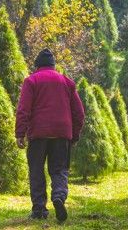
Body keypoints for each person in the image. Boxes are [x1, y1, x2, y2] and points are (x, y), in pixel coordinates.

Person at [15, 49, 85, 222]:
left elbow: (23, 109)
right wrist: (74, 135)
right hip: (62, 133)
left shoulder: (31, 80)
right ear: (54, 65)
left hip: (38, 134)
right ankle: (59, 197)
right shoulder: (67, 82)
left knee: (37, 171)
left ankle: (39, 210)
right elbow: (79, 113)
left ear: (37, 65)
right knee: (59, 169)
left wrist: (20, 133)